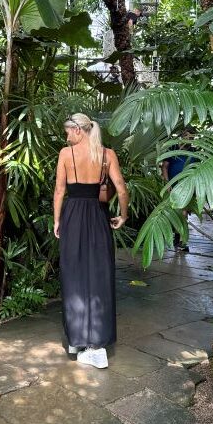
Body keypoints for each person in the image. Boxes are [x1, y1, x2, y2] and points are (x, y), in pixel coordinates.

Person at [54, 113, 129, 369]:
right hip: (98, 217)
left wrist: (56, 221)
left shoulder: (66, 154)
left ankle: (77, 341)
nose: (66, 137)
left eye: (68, 131)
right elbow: (120, 187)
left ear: (78, 131)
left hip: (73, 216)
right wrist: (123, 215)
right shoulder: (107, 154)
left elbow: (60, 191)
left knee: (73, 274)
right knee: (99, 273)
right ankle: (96, 344)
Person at [161, 127, 197, 252]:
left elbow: (197, 170)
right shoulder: (172, 148)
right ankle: (177, 237)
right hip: (172, 186)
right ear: (182, 136)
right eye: (187, 136)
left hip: (187, 187)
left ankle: (182, 241)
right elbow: (164, 167)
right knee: (174, 213)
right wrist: (167, 184)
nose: (189, 139)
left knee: (184, 213)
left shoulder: (194, 151)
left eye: (192, 137)